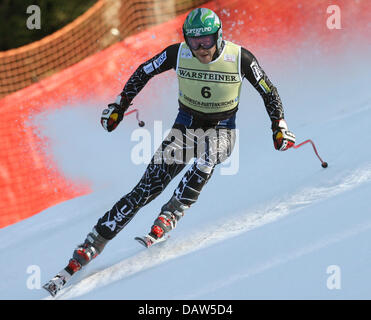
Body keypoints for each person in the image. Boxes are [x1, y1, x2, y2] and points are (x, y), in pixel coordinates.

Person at [66, 8, 296, 274]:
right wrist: (120, 105)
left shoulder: (239, 57)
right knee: (145, 189)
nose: (200, 48)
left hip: (222, 129)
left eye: (207, 40)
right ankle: (94, 241)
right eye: (194, 41)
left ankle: (172, 213)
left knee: (208, 156)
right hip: (185, 128)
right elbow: (143, 72)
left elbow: (269, 90)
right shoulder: (178, 53)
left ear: (218, 36)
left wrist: (279, 125)